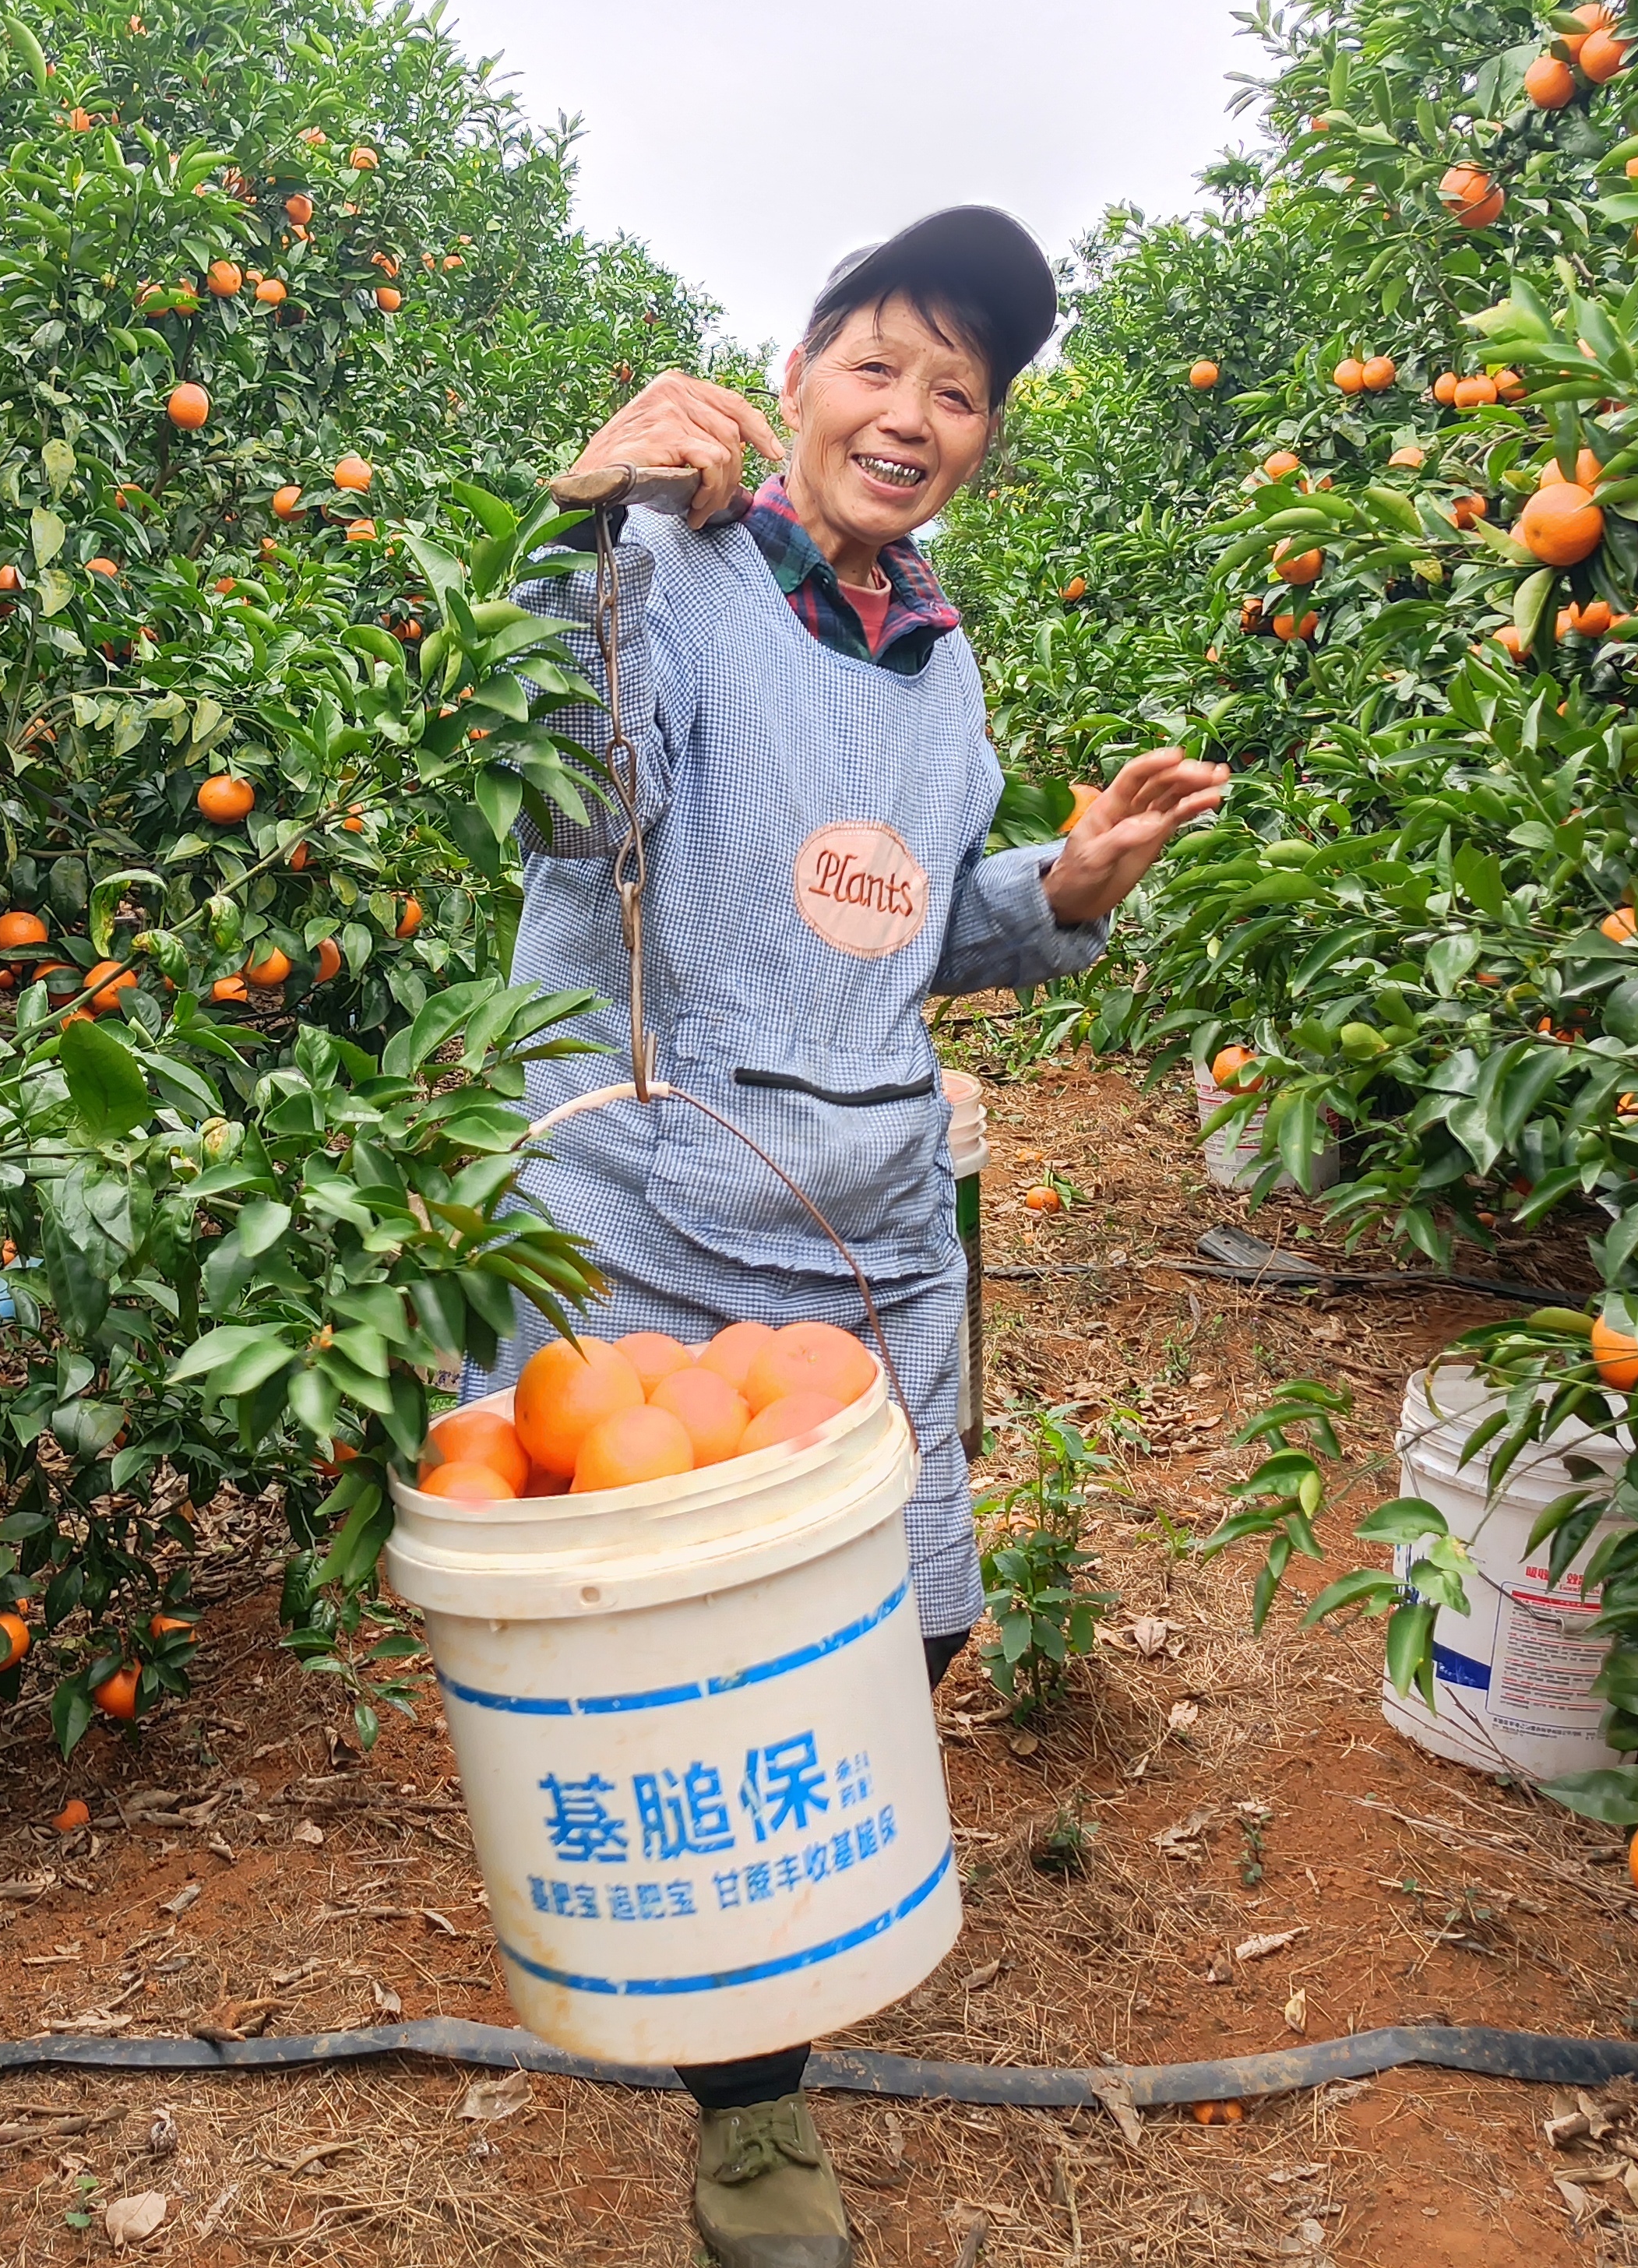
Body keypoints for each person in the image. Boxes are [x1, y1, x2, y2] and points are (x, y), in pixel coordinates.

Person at [470, 205, 1228, 2266]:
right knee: (704, 1656)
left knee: (919, 1622)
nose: (914, 415)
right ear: (797, 375)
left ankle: (752, 1960)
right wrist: (585, 524)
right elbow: (552, 806)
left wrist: (1061, 887)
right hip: (653, 1203)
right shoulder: (668, 563)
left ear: (985, 437)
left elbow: (904, 923)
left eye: (960, 390)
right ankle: (751, 2109)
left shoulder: (938, 651)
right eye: (880, 365)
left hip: (872, 1211)